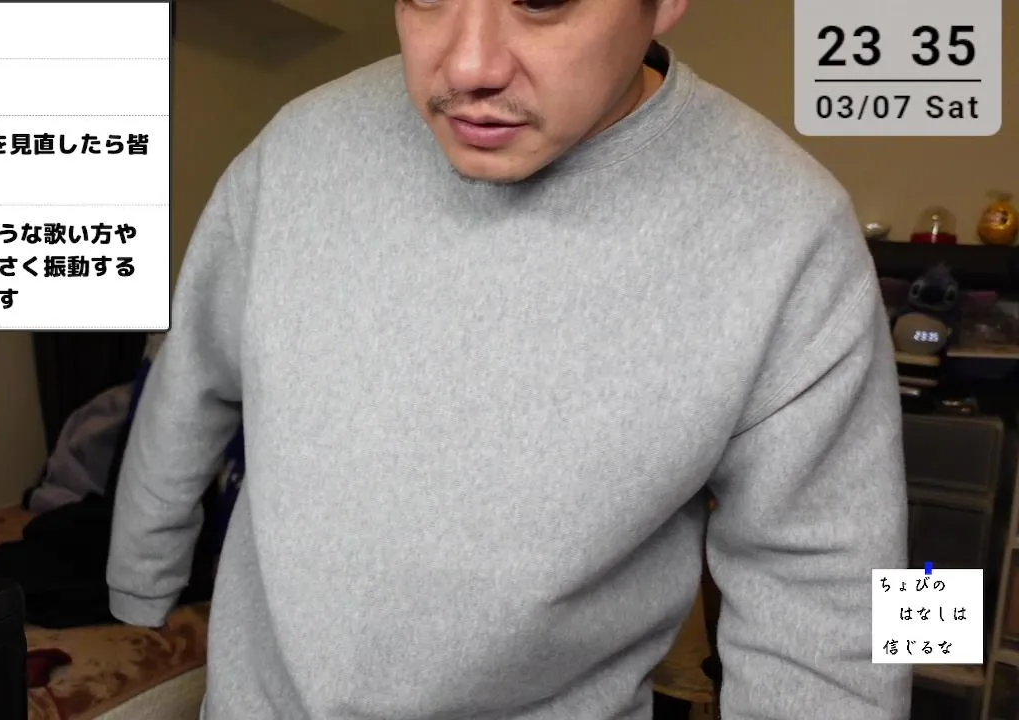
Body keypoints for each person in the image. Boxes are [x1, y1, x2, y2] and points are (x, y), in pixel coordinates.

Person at [107, 0, 913, 717]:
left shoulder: (789, 232)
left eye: (542, 0)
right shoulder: (296, 148)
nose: (468, 66)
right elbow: (193, 376)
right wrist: (139, 583)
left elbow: (835, 602)